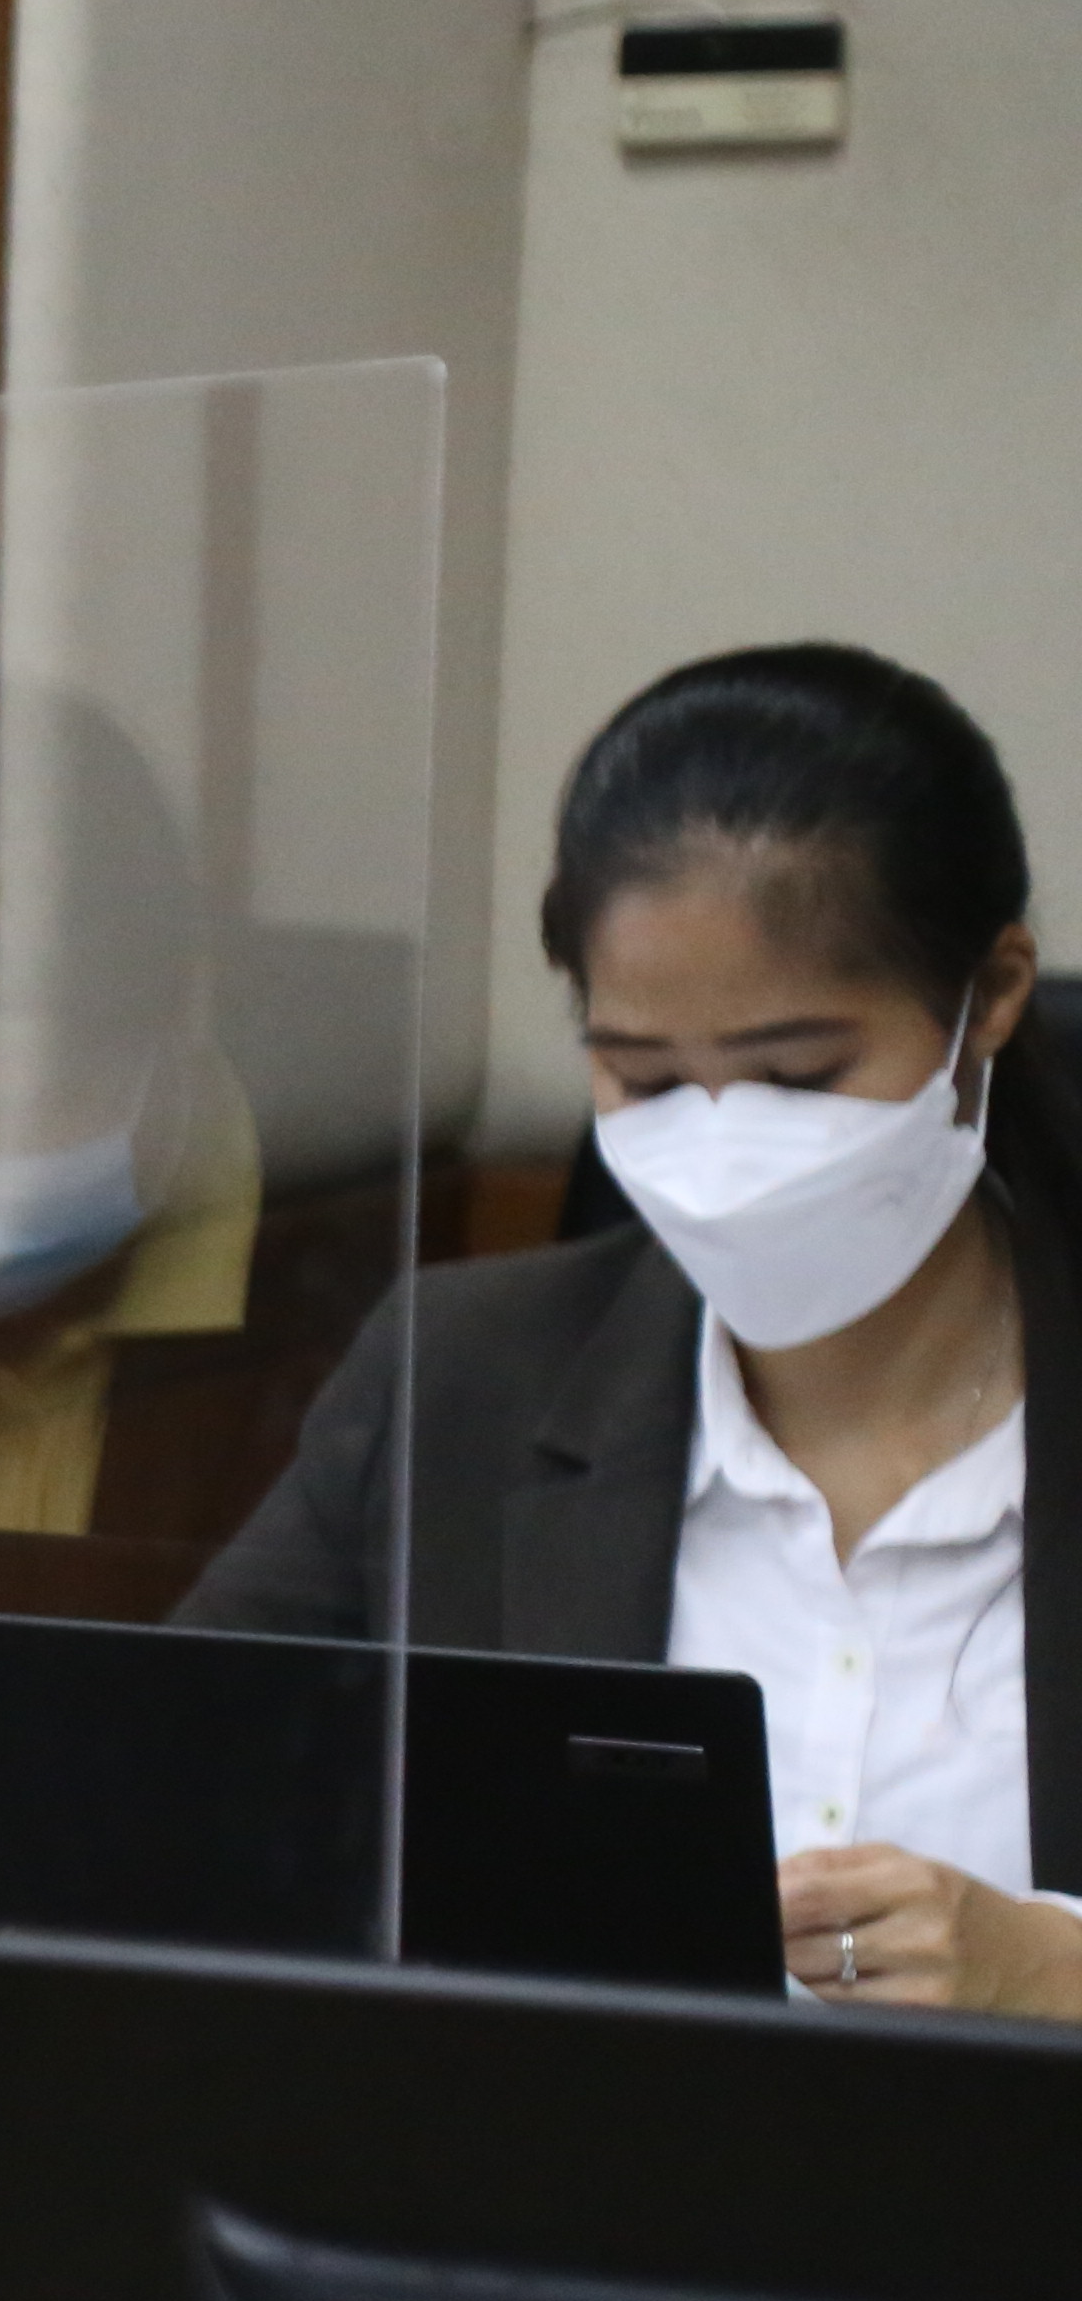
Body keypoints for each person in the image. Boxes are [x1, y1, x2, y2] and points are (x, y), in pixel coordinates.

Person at [187, 642, 1082, 2021]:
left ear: (992, 997)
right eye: (647, 1079)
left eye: (798, 1075)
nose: (723, 1149)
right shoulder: (468, 1378)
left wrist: (1048, 1970)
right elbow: (172, 1807)